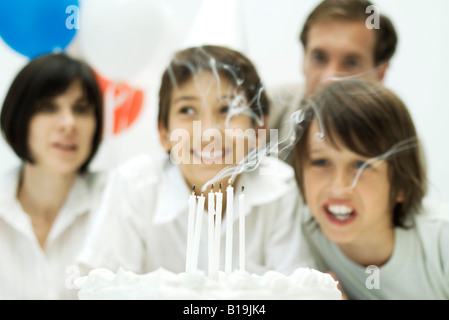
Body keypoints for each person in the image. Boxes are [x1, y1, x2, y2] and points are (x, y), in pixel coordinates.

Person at [77, 45, 313, 276]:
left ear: (258, 129)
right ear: (164, 133)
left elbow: (295, 291)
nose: (208, 133)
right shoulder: (135, 187)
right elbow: (103, 289)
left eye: (228, 109)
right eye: (188, 110)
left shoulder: (278, 188)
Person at [292, 79, 449, 299]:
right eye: (321, 162)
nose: (339, 187)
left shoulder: (441, 242)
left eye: (361, 165)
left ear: (402, 183)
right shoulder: (302, 233)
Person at [0, 53, 107, 299]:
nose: (69, 123)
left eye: (81, 109)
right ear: (18, 117)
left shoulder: (118, 201)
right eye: (49, 107)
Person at [268, 0, 398, 162]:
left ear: (380, 73)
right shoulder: (261, 114)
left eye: (351, 63)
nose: (330, 79)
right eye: (319, 57)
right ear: (303, 60)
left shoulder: (400, 144)